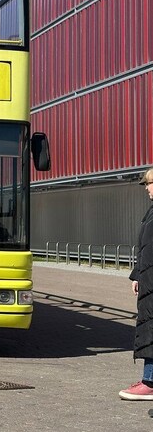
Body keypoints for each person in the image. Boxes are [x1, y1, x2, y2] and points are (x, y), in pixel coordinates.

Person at [119, 168, 153, 400]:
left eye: (149, 184)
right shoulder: (151, 212)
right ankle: (149, 379)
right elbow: (146, 248)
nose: (147, 189)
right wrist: (137, 275)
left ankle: (150, 382)